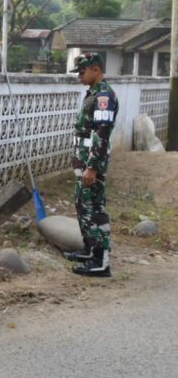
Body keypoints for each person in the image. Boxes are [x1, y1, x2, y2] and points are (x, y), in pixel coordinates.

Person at [65, 52, 117, 278]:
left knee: (94, 208)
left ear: (96, 69)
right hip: (84, 157)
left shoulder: (104, 96)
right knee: (83, 204)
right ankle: (89, 250)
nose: (79, 77)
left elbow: (101, 133)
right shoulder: (93, 94)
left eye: (82, 72)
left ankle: (100, 261)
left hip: (91, 160)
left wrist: (93, 166)